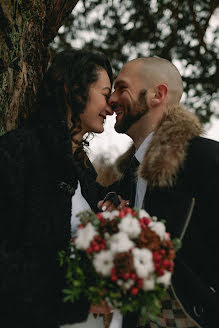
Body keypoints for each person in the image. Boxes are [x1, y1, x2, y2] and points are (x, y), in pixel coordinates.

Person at [78, 57, 219, 328]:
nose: (112, 100)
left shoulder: (205, 159)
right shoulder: (127, 178)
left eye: (121, 88)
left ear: (158, 95)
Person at [0, 49, 115, 328]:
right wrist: (77, 301)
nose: (111, 107)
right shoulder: (19, 151)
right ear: (73, 89)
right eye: (104, 93)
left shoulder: (85, 172)